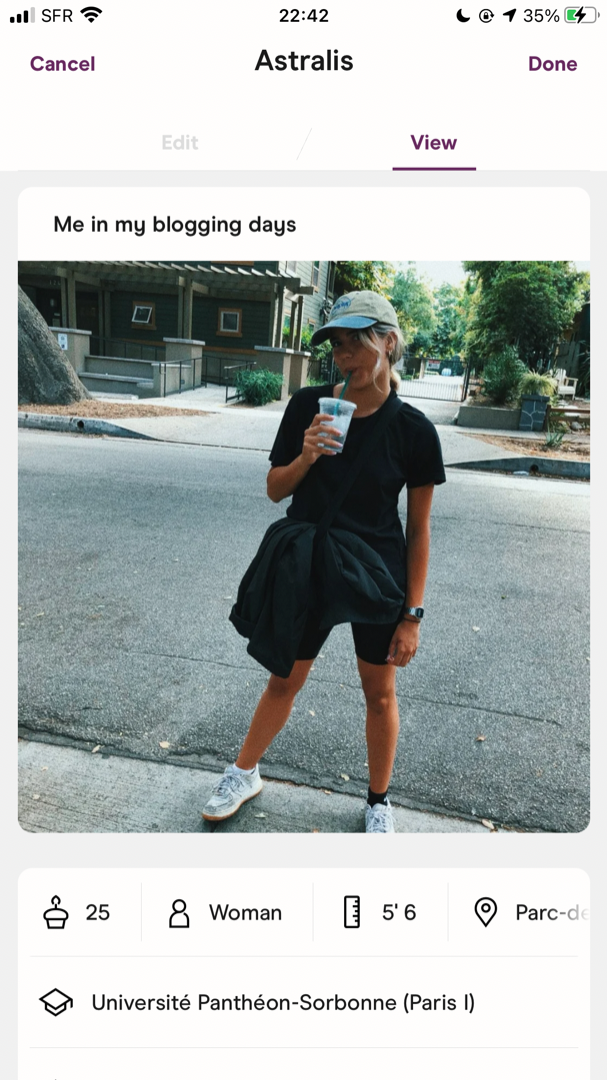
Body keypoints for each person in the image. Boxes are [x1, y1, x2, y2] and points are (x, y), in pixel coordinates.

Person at [202, 290, 446, 832]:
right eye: (335, 345)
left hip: (375, 571)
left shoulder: (414, 431)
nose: (343, 355)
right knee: (283, 679)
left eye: (355, 342)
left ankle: (378, 802)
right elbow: (275, 489)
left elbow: (419, 529)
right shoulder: (307, 406)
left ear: (388, 342)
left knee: (379, 694)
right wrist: (307, 454)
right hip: (310, 561)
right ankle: (243, 773)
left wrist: (412, 615)